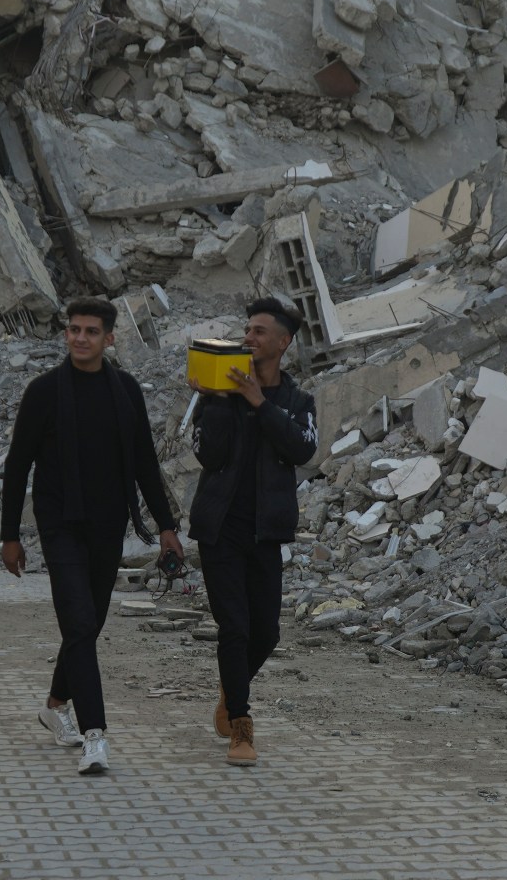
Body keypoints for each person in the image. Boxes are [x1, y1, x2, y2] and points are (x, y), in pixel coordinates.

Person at [0, 298, 182, 776]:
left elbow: (144, 462)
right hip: (59, 524)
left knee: (88, 624)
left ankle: (54, 705)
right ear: (66, 334)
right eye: (74, 329)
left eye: (91, 331)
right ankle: (95, 735)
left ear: (109, 338)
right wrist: (9, 536)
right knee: (80, 623)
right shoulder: (43, 392)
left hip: (108, 525)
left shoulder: (125, 391)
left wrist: (166, 527)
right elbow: (17, 466)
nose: (80, 338)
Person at [187, 296, 317, 767]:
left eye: (259, 331)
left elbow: (302, 449)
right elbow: (208, 455)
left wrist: (259, 403)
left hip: (267, 533)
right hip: (220, 529)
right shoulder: (217, 392)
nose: (248, 338)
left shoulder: (297, 401)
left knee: (266, 633)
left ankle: (231, 686)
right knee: (235, 627)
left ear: (283, 343)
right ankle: (241, 726)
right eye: (247, 329)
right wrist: (219, 401)